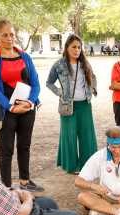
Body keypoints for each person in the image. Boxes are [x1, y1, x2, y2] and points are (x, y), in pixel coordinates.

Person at [0, 19, 44, 192]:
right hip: (6, 110)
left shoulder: (25, 56)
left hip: (27, 108)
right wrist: (11, 107)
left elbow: (35, 83)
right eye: (4, 35)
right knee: (7, 150)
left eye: (12, 34)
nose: (9, 38)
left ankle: (25, 181)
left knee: (24, 146)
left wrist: (29, 102)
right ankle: (7, 187)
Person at [46, 34, 98, 174]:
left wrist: (93, 88)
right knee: (69, 136)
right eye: (74, 47)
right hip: (68, 106)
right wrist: (59, 92)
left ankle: (87, 166)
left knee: (87, 136)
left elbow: (93, 77)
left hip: (85, 105)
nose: (77, 50)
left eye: (79, 47)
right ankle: (72, 166)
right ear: (67, 47)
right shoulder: (59, 65)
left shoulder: (85, 63)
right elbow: (49, 83)